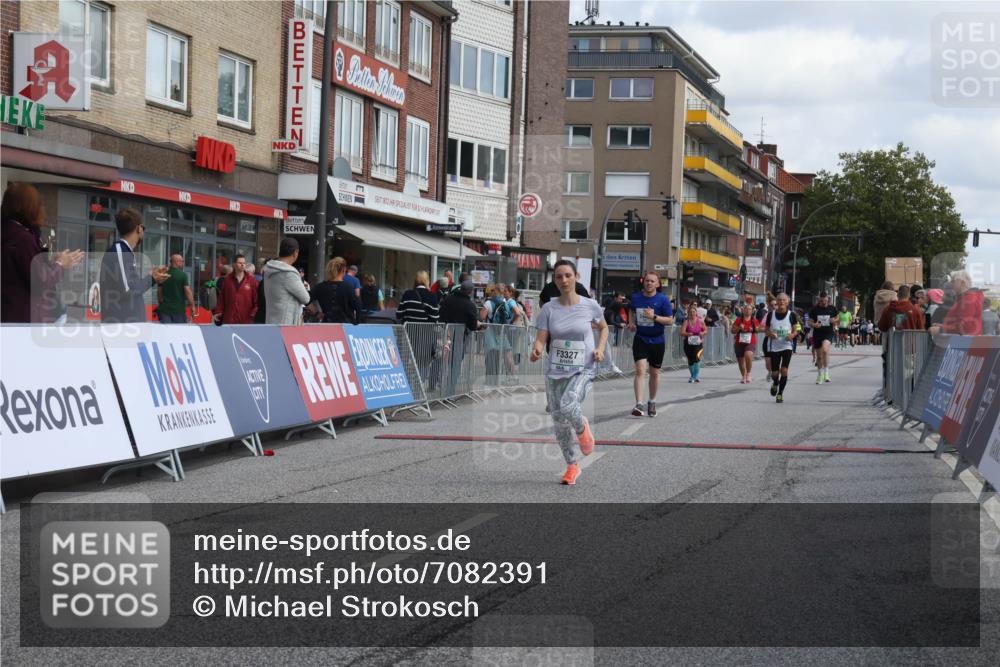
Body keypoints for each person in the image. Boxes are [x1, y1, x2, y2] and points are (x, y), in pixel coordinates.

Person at [529, 259, 608, 486]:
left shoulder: (589, 305)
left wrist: (600, 349)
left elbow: (603, 328)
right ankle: (572, 465)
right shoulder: (548, 308)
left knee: (569, 404)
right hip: (555, 370)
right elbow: (542, 338)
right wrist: (536, 350)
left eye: (567, 275)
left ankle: (583, 429)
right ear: (554, 280)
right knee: (559, 421)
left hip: (583, 368)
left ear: (576, 277)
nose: (563, 280)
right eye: (559, 277)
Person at [1, 182, 83, 323]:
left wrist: (50, 262)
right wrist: (60, 264)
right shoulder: (23, 239)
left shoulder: (8, 232)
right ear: (29, 207)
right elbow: (40, 282)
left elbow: (21, 271)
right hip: (24, 318)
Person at [100, 208, 169, 323]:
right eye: (144, 228)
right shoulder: (120, 251)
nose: (143, 231)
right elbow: (128, 289)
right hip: (122, 326)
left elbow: (129, 287)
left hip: (128, 325)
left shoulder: (124, 252)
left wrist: (152, 277)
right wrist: (152, 278)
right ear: (139, 228)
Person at [628, 272, 674, 416]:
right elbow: (631, 310)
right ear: (644, 282)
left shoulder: (663, 300)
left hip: (657, 340)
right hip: (641, 338)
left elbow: (670, 320)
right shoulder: (636, 297)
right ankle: (639, 404)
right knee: (640, 371)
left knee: (654, 373)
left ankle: (652, 401)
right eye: (647, 281)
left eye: (652, 281)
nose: (649, 283)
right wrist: (631, 322)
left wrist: (653, 317)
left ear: (657, 284)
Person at [263, 238, 311, 325]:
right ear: (295, 252)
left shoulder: (269, 269)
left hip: (271, 321)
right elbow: (306, 298)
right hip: (286, 324)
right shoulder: (289, 273)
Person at [764, 293, 800, 404]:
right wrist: (771, 334)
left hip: (787, 346)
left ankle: (780, 394)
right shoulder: (771, 315)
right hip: (774, 347)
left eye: (784, 300)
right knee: (775, 373)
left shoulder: (791, 315)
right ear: (777, 302)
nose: (781, 302)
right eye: (779, 300)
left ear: (787, 302)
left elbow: (796, 330)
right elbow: (766, 330)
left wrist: (792, 336)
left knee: (784, 370)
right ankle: (775, 383)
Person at [309, 256, 363, 324]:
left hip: (327, 325)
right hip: (345, 327)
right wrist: (357, 323)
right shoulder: (348, 287)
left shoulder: (320, 287)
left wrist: (317, 313)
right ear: (343, 270)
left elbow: (306, 299)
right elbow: (358, 306)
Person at [931, 270, 984, 336]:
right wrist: (943, 326)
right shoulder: (965, 298)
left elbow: (964, 326)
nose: (951, 283)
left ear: (962, 283)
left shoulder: (968, 299)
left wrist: (941, 329)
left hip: (966, 343)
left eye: (953, 281)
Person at [214, 253, 258, 324]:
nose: (242, 265)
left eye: (244, 263)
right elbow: (221, 299)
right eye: (240, 263)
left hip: (246, 320)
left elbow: (257, 300)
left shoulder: (252, 280)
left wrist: (253, 315)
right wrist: (218, 312)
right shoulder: (227, 280)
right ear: (234, 264)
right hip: (230, 320)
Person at [808, 292, 839, 383]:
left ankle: (826, 373)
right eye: (821, 301)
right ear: (819, 300)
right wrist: (814, 324)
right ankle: (819, 375)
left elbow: (838, 318)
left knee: (825, 350)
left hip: (828, 332)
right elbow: (809, 322)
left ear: (827, 299)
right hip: (817, 334)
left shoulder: (832, 308)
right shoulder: (814, 309)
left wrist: (834, 320)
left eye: (825, 300)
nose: (824, 302)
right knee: (819, 357)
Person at [157, 253, 197, 323]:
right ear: (176, 262)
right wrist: (192, 306)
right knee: (178, 332)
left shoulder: (163, 274)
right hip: (178, 310)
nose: (183, 263)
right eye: (181, 261)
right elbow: (188, 292)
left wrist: (161, 303)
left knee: (165, 332)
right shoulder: (182, 275)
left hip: (164, 309)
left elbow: (159, 291)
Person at [731, 303, 761, 384]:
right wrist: (738, 328)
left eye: (749, 309)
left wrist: (753, 329)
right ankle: (743, 376)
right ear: (743, 310)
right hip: (739, 342)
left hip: (750, 342)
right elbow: (732, 331)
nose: (748, 310)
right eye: (746, 309)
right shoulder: (738, 320)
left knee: (748, 354)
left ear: (752, 311)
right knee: (740, 361)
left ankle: (748, 373)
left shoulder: (754, 321)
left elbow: (759, 330)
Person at [679, 303, 706, 382]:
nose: (692, 313)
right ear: (688, 312)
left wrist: (702, 333)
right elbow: (681, 333)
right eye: (690, 311)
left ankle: (695, 376)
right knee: (690, 360)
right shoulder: (686, 322)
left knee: (697, 358)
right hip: (688, 344)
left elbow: (705, 330)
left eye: (693, 311)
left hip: (698, 344)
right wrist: (687, 334)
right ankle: (692, 375)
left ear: (696, 312)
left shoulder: (700, 321)